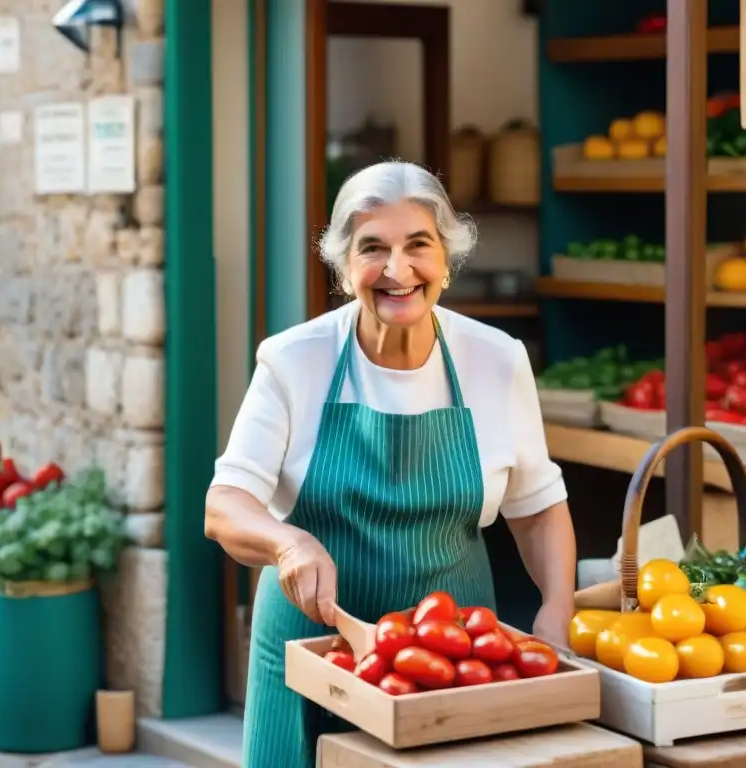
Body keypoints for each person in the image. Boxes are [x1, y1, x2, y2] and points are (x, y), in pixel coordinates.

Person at [204, 160, 577, 768]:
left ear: (447, 262)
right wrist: (287, 544)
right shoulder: (294, 360)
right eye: (372, 248)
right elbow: (225, 506)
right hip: (312, 653)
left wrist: (557, 605)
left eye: (418, 246)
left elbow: (536, 510)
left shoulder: (495, 360)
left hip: (452, 658)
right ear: (345, 267)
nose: (397, 271)